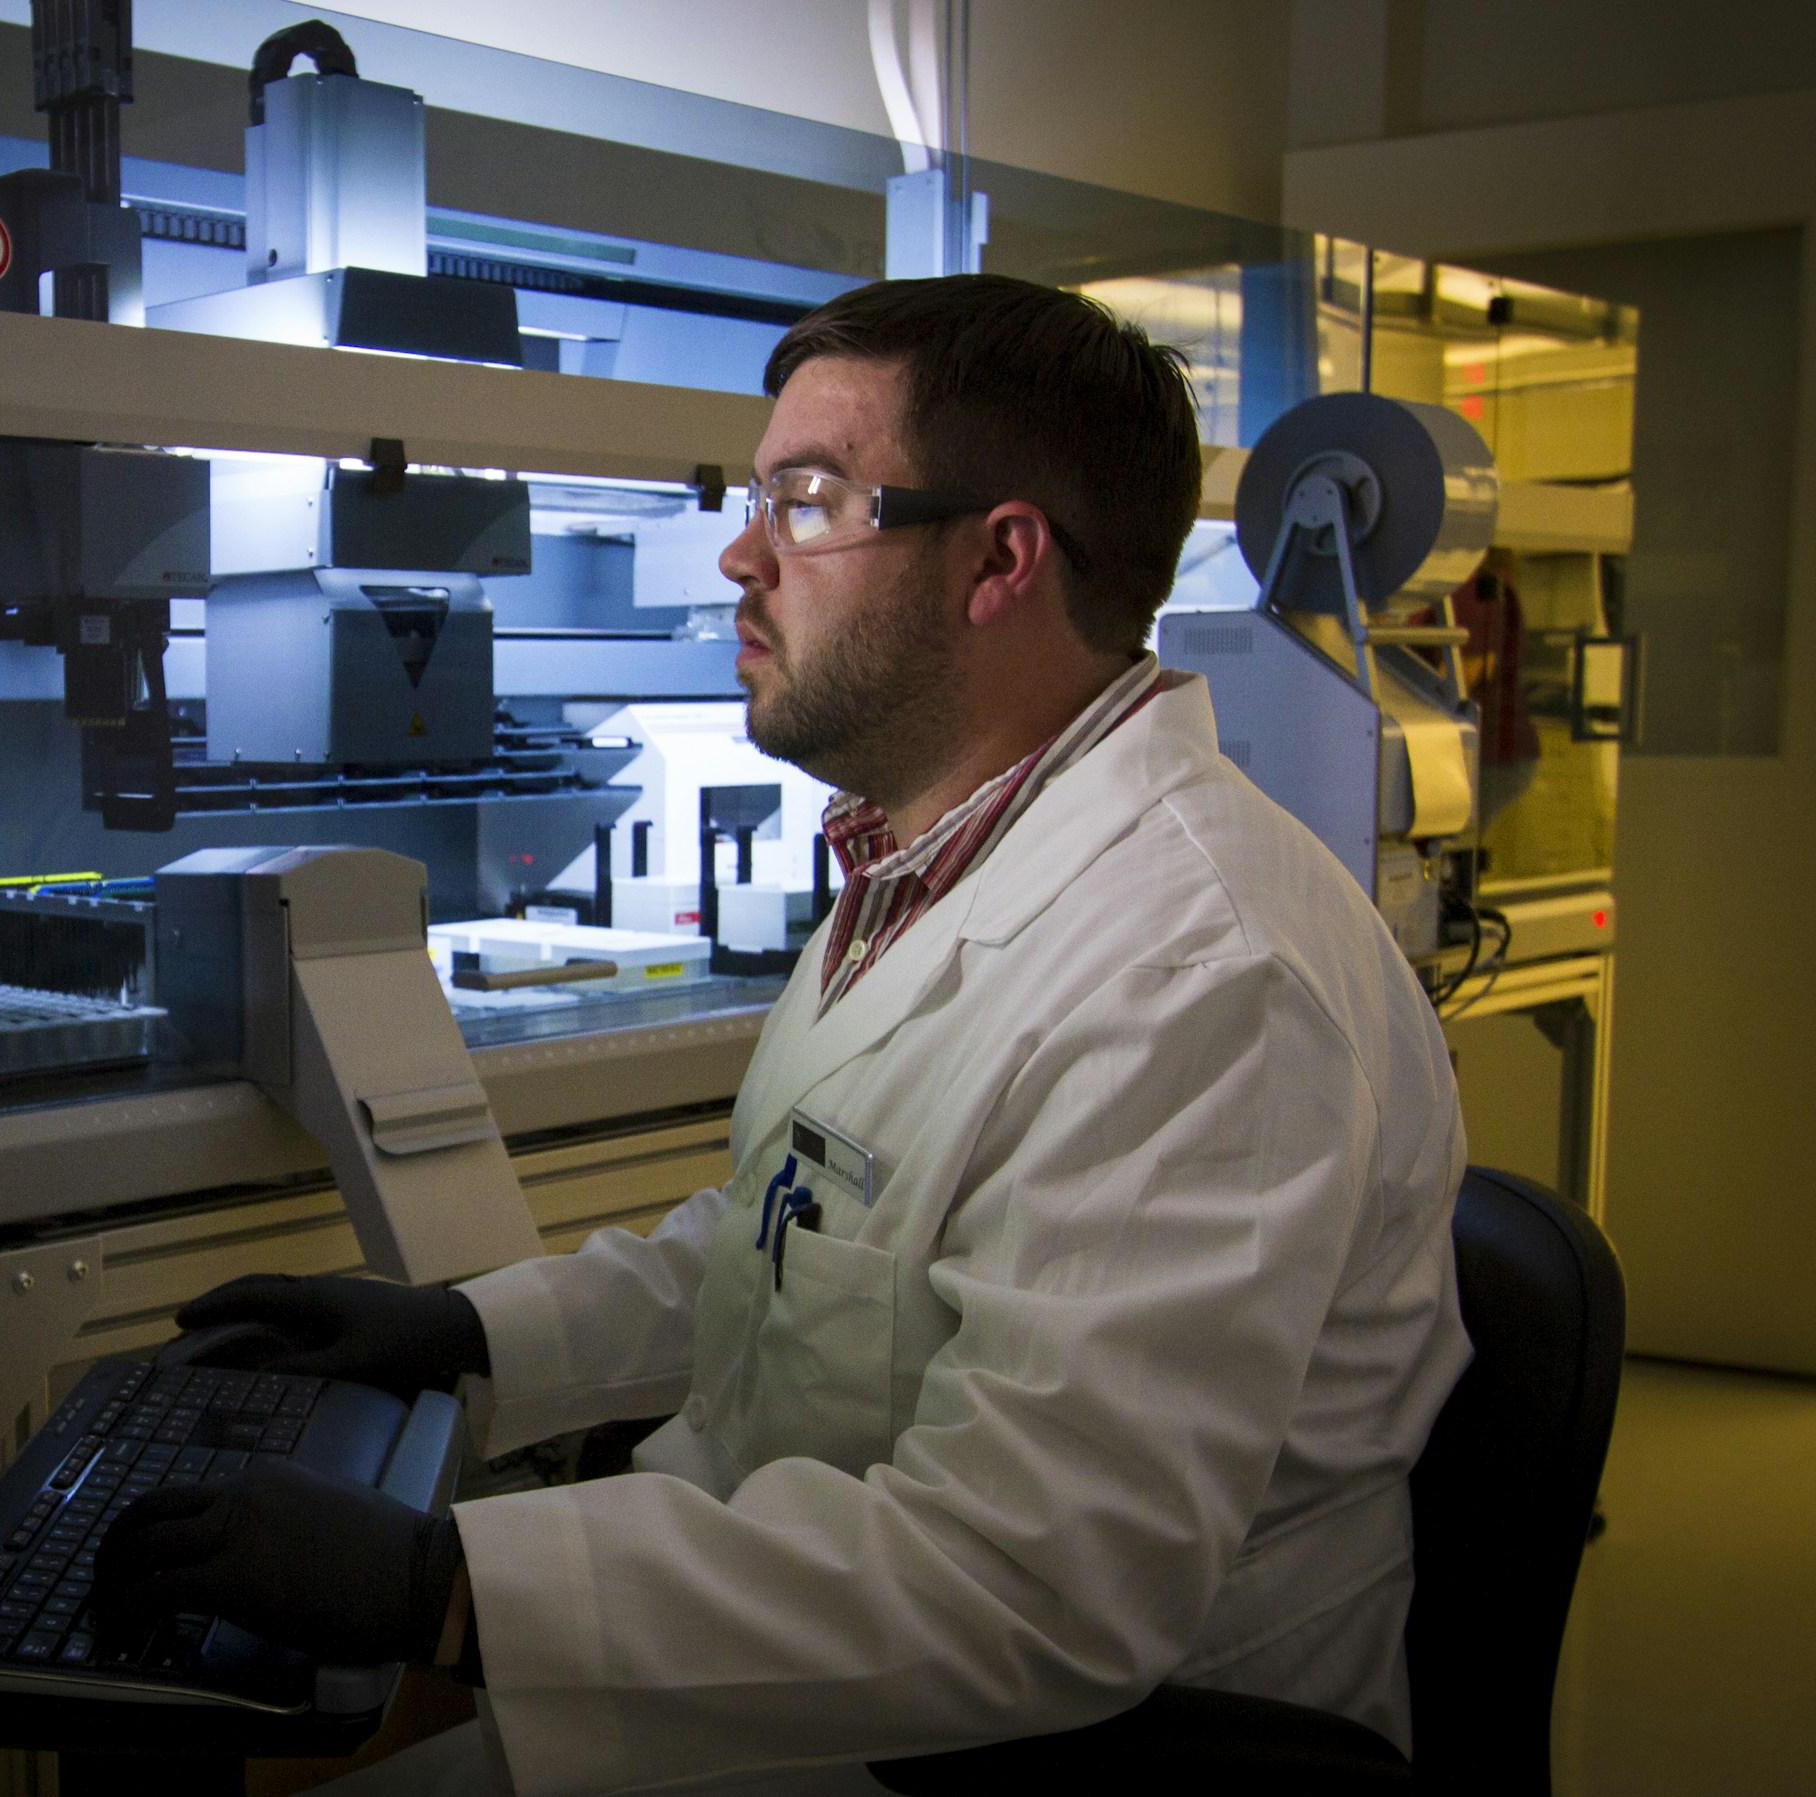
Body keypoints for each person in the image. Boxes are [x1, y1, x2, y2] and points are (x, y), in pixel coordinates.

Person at [98, 274, 1472, 1796]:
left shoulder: (1204, 978)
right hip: (822, 1669)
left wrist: (452, 1584)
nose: (742, 555)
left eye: (809, 501)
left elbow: (1034, 1584)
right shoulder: (930, 856)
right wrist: (474, 1330)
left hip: (1036, 1753)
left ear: (999, 560)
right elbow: (795, 1243)